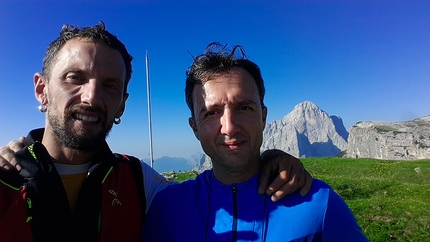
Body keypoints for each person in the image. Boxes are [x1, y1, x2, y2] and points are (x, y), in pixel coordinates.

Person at [0, 23, 312, 242]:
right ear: (41, 90)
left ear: (122, 104)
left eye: (110, 86)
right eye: (75, 78)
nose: (92, 97)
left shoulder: (138, 180)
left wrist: (268, 158)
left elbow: (212, 190)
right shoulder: (5, 178)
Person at [142, 43, 369, 241]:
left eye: (244, 108)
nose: (229, 127)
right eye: (212, 113)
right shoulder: (166, 209)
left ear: (263, 117)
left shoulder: (319, 204)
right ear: (195, 128)